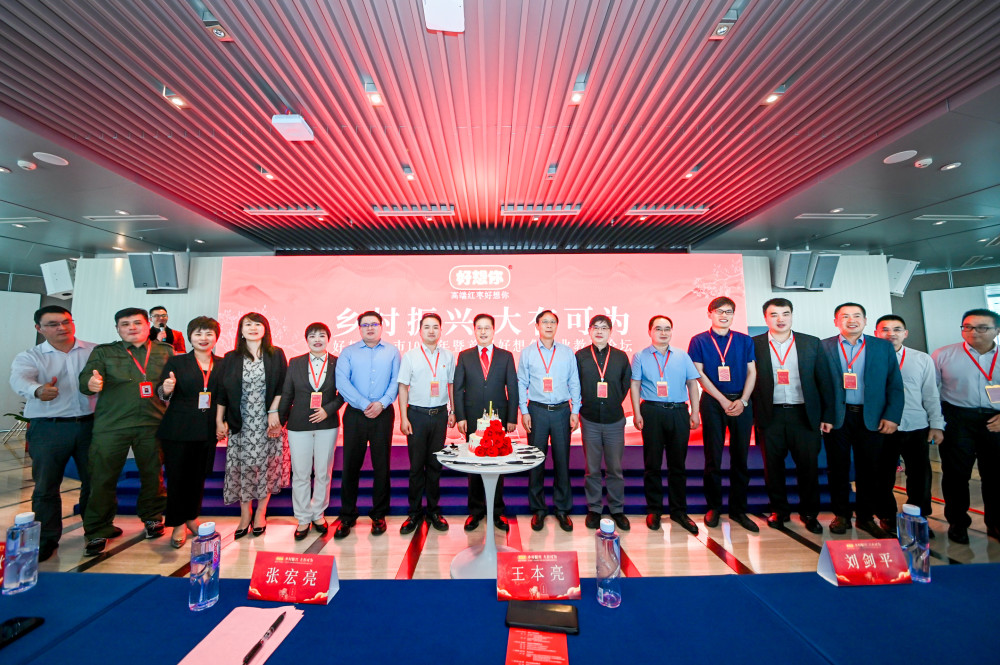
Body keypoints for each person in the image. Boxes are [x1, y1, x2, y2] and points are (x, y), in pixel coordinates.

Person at [78, 307, 173, 556]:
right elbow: (86, 380)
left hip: (152, 424)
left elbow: (172, 387)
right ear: (117, 329)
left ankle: (152, 517)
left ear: (148, 325)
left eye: (137, 323)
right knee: (102, 477)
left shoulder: (165, 351)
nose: (131, 327)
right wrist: (91, 383)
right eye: (125, 324)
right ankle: (98, 529)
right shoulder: (104, 352)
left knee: (153, 475)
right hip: (112, 426)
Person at [9, 306, 96, 561]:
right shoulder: (31, 356)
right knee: (46, 485)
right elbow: (20, 379)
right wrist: (37, 390)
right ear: (39, 328)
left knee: (95, 482)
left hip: (90, 426)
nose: (62, 328)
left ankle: (95, 531)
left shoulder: (93, 351)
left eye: (66, 322)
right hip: (49, 427)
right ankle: (46, 538)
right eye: (53, 324)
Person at [821, 302, 904, 538]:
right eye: (845, 316)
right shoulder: (823, 346)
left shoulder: (882, 347)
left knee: (870, 469)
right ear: (836, 321)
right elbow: (818, 385)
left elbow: (894, 384)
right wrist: (824, 415)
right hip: (837, 417)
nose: (851, 320)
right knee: (837, 468)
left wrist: (891, 416)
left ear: (865, 321)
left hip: (872, 417)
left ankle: (866, 517)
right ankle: (841, 515)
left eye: (857, 315)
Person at [751, 298, 833, 535]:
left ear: (792, 315)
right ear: (766, 318)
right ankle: (779, 511)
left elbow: (824, 380)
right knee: (773, 468)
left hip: (804, 415)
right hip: (770, 415)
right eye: (774, 314)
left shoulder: (811, 343)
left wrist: (827, 415)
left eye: (785, 314)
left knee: (808, 467)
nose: (780, 319)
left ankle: (809, 514)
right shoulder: (753, 344)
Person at [688, 296, 759, 532]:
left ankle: (739, 510)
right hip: (712, 402)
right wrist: (721, 399)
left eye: (728, 311)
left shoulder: (744, 340)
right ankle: (714, 507)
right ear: (710, 314)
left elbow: (752, 371)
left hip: (741, 402)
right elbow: (698, 373)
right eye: (719, 311)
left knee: (741, 457)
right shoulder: (698, 340)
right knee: (713, 457)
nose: (724, 315)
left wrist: (744, 400)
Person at [216, 312, 289, 539]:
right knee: (244, 468)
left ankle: (260, 513)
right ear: (241, 330)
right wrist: (219, 420)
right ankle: (245, 514)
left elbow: (283, 386)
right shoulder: (230, 357)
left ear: (265, 329)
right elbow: (222, 392)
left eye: (258, 324)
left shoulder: (276, 354)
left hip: (269, 421)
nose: (253, 328)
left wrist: (274, 412)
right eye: (248, 324)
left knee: (266, 467)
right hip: (241, 422)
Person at [932, 308, 1000, 544]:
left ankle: (996, 523)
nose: (973, 332)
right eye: (967, 327)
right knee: (955, 475)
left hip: (995, 420)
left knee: (995, 475)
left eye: (982, 328)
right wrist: (936, 423)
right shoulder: (943, 354)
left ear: (997, 330)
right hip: (957, 418)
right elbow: (930, 391)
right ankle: (957, 523)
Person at [873, 314, 944, 537]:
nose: (890, 334)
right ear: (876, 334)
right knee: (882, 475)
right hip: (882, 426)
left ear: (905, 333)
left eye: (896, 329)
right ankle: (886, 516)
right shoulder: (870, 358)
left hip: (916, 425)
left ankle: (919, 517)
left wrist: (936, 424)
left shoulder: (922, 359)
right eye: (885, 329)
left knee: (920, 475)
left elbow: (931, 394)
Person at [631, 315, 702, 534]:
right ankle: (654, 510)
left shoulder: (682, 356)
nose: (663, 333)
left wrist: (695, 412)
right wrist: (636, 413)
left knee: (678, 464)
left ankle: (679, 511)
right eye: (658, 329)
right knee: (652, 464)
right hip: (652, 411)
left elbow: (692, 384)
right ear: (650, 331)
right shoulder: (640, 356)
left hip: (679, 411)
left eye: (667, 329)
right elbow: (635, 385)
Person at [156, 316, 222, 548]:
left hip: (207, 430)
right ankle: (177, 523)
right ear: (190, 337)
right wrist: (166, 389)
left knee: (198, 477)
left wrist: (223, 422)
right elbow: (162, 392)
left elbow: (224, 396)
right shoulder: (177, 362)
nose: (203, 338)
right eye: (198, 334)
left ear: (216, 337)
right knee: (177, 478)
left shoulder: (223, 363)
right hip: (178, 429)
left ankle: (192, 518)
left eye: (209, 334)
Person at [334, 310, 400, 539]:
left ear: (381, 326)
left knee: (382, 466)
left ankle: (379, 515)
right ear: (359, 328)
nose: (370, 328)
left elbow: (396, 381)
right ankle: (347, 515)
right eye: (365, 325)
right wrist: (364, 404)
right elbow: (342, 382)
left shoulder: (392, 351)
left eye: (374, 324)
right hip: (355, 414)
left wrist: (381, 403)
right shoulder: (348, 352)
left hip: (383, 413)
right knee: (351, 466)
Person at [454, 313, 519, 532]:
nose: (483, 332)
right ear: (474, 330)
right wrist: (461, 416)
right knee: (474, 465)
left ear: (493, 330)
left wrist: (512, 418)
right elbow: (458, 389)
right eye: (479, 328)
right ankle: (475, 511)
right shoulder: (464, 356)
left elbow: (513, 388)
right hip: (473, 418)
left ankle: (497, 511)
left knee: (497, 463)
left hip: (498, 419)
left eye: (487, 328)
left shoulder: (506, 356)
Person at [518, 309, 582, 532]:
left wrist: (575, 410)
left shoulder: (566, 352)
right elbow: (521, 383)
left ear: (557, 326)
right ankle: (538, 509)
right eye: (544, 322)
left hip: (562, 411)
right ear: (537, 326)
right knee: (536, 461)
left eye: (552, 322)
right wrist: (524, 411)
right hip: (536, 410)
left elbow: (574, 381)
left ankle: (562, 509)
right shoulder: (527, 353)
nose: (548, 325)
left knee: (562, 461)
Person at [279, 322, 343, 540]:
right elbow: (287, 393)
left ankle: (318, 513)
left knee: (323, 471)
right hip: (299, 424)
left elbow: (343, 393)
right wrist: (280, 420)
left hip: (327, 423)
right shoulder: (295, 362)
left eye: (322, 335)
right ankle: (303, 517)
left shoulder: (338, 362)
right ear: (306, 340)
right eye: (312, 336)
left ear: (328, 338)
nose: (317, 339)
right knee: (301, 473)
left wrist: (328, 410)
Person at [398, 313, 455, 534]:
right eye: (427, 327)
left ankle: (433, 511)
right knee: (416, 467)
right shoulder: (410, 356)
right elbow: (403, 387)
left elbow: (451, 386)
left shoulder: (448, 356)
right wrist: (404, 417)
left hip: (439, 415)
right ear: (420, 331)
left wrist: (453, 410)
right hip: (417, 416)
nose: (432, 331)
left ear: (441, 330)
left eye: (435, 327)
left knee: (434, 465)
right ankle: (414, 513)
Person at [576, 314, 632, 530]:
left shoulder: (620, 356)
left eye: (604, 328)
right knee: (592, 468)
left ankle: (617, 509)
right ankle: (595, 509)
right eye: (595, 327)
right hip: (589, 418)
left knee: (615, 468)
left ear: (610, 332)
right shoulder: (580, 356)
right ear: (589, 331)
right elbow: (575, 384)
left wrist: (612, 401)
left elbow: (625, 384)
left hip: (614, 419)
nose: (599, 331)